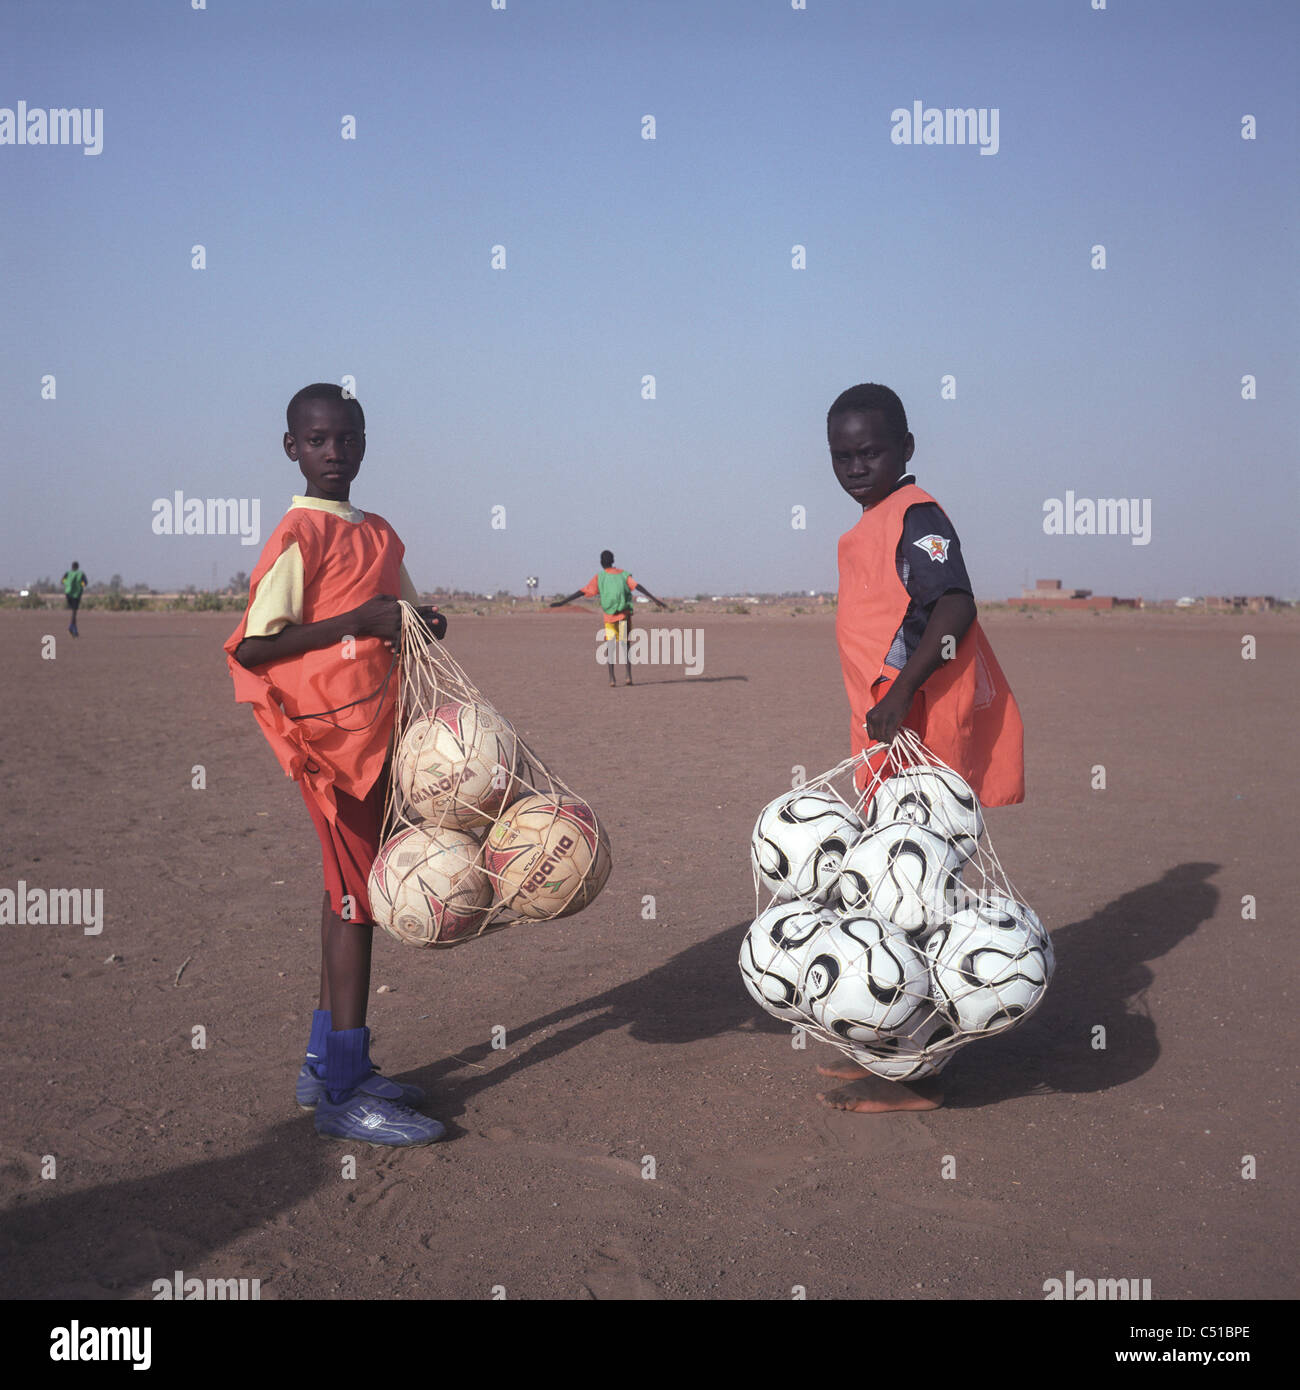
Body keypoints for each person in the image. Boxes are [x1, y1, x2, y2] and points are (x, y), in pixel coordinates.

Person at [224, 383, 447, 1147]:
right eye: (318, 440)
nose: (334, 453)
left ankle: (325, 1061)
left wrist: (422, 622)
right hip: (333, 748)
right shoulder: (298, 533)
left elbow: (405, 614)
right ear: (292, 448)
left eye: (346, 438)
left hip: (380, 737)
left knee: (342, 895)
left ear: (363, 444)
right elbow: (254, 644)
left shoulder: (380, 534)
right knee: (361, 904)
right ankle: (346, 1094)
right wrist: (353, 623)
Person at [819, 383, 1024, 1115]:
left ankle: (918, 1075)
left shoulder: (917, 517)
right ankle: (895, 1056)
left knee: (911, 908)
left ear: (906, 448)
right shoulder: (871, 526)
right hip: (891, 750)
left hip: (924, 750)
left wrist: (903, 693)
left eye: (870, 451)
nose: (855, 466)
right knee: (894, 902)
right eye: (842, 455)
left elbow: (955, 604)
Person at [551, 550, 667, 686]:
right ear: (613, 561)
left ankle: (612, 679)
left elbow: (583, 591)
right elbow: (637, 586)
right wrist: (654, 599)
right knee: (625, 645)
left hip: (609, 617)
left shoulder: (599, 577)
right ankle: (628, 676)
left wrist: (563, 602)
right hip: (623, 615)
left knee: (610, 646)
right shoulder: (623, 575)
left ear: (601, 562)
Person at [61, 561, 88, 636]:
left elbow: (62, 581)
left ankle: (73, 628)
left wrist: (67, 584)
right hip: (77, 594)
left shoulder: (68, 573)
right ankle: (73, 628)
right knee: (74, 612)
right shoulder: (81, 574)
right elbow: (85, 583)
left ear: (72, 567)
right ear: (78, 567)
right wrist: (80, 585)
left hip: (68, 594)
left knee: (73, 612)